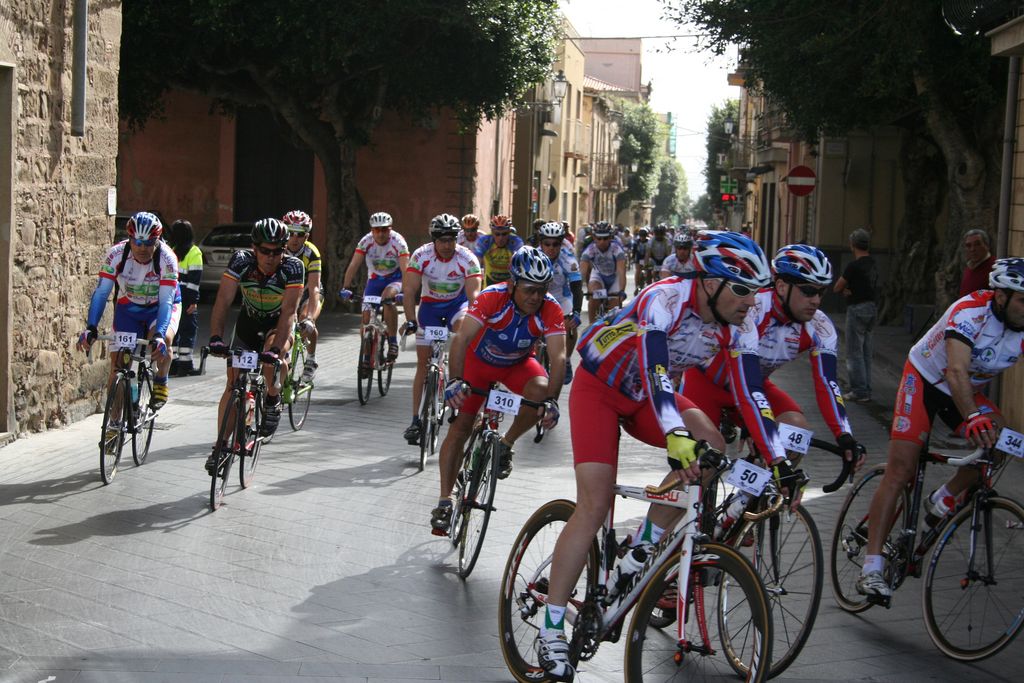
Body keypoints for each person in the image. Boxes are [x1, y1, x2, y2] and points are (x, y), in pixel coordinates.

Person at [536, 231, 795, 681]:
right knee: (594, 504)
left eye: (757, 291)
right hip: (601, 389)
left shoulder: (740, 322)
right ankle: (552, 627)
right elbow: (656, 370)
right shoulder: (665, 299)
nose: (751, 301)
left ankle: (642, 546)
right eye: (742, 289)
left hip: (647, 397)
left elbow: (751, 392)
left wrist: (779, 460)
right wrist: (675, 435)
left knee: (712, 444)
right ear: (709, 282)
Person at [856, 259, 1024, 602]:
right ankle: (871, 568)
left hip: (964, 391)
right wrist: (973, 416)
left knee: (1000, 441)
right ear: (1001, 296)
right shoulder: (970, 312)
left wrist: (980, 418)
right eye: (1023, 300)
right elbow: (955, 371)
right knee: (901, 470)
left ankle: (943, 497)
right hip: (926, 381)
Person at [682, 244, 862, 501]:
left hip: (754, 388)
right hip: (707, 385)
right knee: (703, 469)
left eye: (821, 291)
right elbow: (740, 378)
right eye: (808, 290)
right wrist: (755, 423)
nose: (816, 300)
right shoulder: (753, 310)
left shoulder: (819, 325)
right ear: (781, 287)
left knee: (796, 432)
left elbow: (827, 383)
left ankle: (742, 504)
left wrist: (844, 436)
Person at [431, 247, 566, 534]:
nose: (536, 297)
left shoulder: (551, 307)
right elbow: (461, 339)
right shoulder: (492, 297)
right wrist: (456, 381)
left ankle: (506, 444)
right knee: (461, 427)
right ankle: (445, 499)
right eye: (529, 289)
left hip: (516, 365)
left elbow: (558, 358)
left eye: (542, 290)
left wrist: (552, 402)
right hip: (478, 364)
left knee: (540, 391)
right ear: (513, 284)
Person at [206, 218, 303, 471]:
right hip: (248, 324)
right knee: (232, 384)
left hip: (277, 325)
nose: (271, 257)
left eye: (277, 251)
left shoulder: (293, 267)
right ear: (254, 248)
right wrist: (216, 338)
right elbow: (223, 300)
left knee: (271, 361)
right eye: (264, 251)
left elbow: (289, 312)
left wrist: (276, 350)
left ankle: (273, 398)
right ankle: (220, 446)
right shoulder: (241, 261)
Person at [77, 211, 181, 409]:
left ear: (157, 240)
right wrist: (91, 327)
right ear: (130, 239)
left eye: (148, 243)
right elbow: (101, 293)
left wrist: (159, 335)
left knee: (164, 340)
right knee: (117, 367)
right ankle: (115, 422)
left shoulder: (167, 258)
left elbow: (166, 302)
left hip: (159, 307)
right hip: (129, 308)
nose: (142, 248)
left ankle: (161, 379)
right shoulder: (116, 254)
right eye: (137, 242)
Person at [402, 214, 483, 445]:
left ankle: (457, 387)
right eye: (442, 241)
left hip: (457, 307)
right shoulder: (421, 256)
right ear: (434, 240)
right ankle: (415, 420)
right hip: (430, 309)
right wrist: (410, 320)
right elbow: (410, 291)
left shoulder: (467, 258)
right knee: (422, 365)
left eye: (451, 240)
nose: (447, 245)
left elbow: (474, 296)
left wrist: (476, 326)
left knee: (463, 333)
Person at [339, 211, 410, 363]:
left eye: (384, 229)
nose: (381, 233)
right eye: (377, 230)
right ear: (372, 230)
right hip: (375, 279)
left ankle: (392, 342)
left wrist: (405, 291)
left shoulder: (398, 242)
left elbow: (405, 269)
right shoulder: (366, 241)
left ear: (390, 229)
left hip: (395, 278)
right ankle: (366, 357)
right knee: (366, 318)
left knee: (387, 298)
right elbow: (354, 264)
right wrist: (346, 287)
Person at [834, 228, 877, 403]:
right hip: (872, 308)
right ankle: (866, 388)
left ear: (852, 245)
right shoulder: (873, 263)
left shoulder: (853, 266)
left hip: (856, 308)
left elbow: (837, 287)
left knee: (854, 351)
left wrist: (845, 290)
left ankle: (859, 390)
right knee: (866, 350)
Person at [537, 221, 583, 383]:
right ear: (541, 243)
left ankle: (566, 360)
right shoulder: (533, 257)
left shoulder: (568, 259)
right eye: (547, 244)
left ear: (561, 243)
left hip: (561, 298)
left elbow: (577, 289)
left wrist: (576, 312)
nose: (551, 248)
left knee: (570, 324)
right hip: (539, 296)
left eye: (555, 244)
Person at [281, 210, 324, 382]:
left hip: (308, 290)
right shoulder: (279, 249)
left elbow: (314, 288)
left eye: (299, 234)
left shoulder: (311, 253)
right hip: (286, 291)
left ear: (306, 236)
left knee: (305, 320)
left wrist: (311, 318)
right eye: (290, 233)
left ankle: (311, 360)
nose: (294, 238)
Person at [167, 219, 203, 376]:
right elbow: (194, 281)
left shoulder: (170, 251)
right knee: (188, 331)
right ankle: (185, 364)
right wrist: (193, 301)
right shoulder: (194, 252)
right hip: (186, 298)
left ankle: (173, 363)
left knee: (173, 330)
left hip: (171, 297)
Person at [578, 221, 627, 320]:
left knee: (614, 307)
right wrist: (578, 290)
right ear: (594, 237)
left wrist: (622, 291)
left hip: (615, 277)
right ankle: (592, 324)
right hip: (599, 275)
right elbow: (582, 272)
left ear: (610, 237)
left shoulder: (617, 249)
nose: (602, 241)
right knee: (594, 295)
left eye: (605, 238)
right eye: (599, 238)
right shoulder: (589, 250)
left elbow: (621, 272)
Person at [473, 215, 524, 286]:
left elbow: (518, 262)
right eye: (497, 234)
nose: (501, 238)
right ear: (492, 233)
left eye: (504, 234)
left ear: (509, 232)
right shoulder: (484, 241)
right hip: (490, 281)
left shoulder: (516, 241)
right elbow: (476, 262)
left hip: (509, 281)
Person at [959, 228, 995, 297]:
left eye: (977, 244)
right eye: (968, 245)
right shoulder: (969, 268)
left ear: (987, 246)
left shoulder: (994, 268)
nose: (972, 249)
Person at [631, 227, 650, 292]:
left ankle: (648, 284)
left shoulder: (649, 242)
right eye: (641, 236)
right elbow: (634, 251)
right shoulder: (636, 242)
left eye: (644, 236)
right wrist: (633, 258)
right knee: (638, 271)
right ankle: (636, 286)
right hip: (638, 258)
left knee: (648, 271)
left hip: (647, 258)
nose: (642, 237)